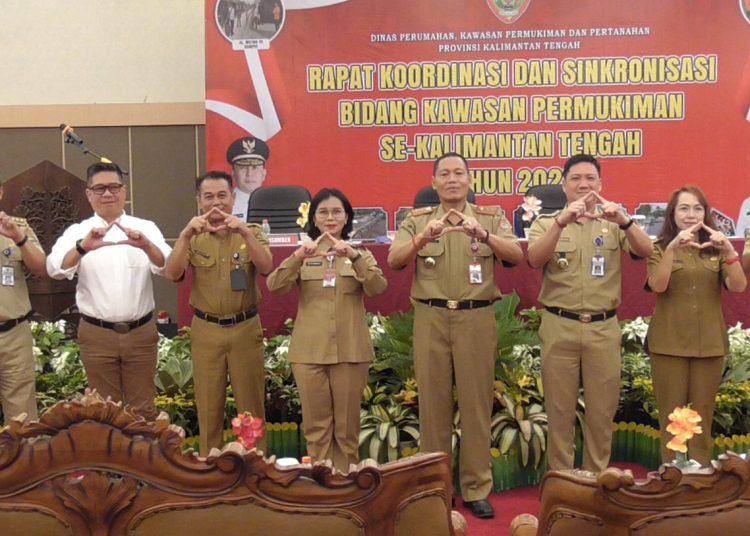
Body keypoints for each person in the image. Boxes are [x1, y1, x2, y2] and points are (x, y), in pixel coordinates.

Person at [387, 152, 523, 519]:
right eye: (444, 174)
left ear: (469, 180)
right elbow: (395, 259)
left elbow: (516, 255)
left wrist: (484, 234)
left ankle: (477, 487)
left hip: (475, 319)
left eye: (458, 173)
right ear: (434, 183)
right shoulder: (416, 220)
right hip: (431, 317)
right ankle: (437, 487)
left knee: (477, 405)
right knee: (432, 405)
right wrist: (420, 240)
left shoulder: (490, 218)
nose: (452, 179)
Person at [527, 154, 653, 473]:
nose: (583, 184)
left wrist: (624, 220)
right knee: (559, 412)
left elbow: (645, 251)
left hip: (602, 327)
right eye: (576, 179)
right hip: (559, 325)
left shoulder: (613, 222)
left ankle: (598, 482)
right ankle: (563, 483)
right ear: (564, 185)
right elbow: (535, 259)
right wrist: (560, 222)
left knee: (601, 413)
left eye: (590, 179)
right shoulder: (546, 222)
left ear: (600, 184)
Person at [266, 188, 387, 472]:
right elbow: (274, 286)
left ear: (347, 218)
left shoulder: (360, 254)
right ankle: (321, 490)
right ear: (314, 219)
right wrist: (296, 257)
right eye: (323, 212)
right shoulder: (305, 254)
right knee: (317, 429)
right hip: (309, 352)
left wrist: (354, 257)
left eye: (336, 212)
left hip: (350, 351)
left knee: (346, 431)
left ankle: (346, 488)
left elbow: (378, 288)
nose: (330, 217)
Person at [47, 162, 171, 420]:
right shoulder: (78, 232)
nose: (107, 194)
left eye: (114, 187)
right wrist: (83, 248)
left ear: (124, 191)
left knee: (143, 411)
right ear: (89, 194)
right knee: (103, 412)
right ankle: (110, 462)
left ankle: (141, 460)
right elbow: (54, 269)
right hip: (97, 335)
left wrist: (146, 246)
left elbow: (168, 267)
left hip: (140, 332)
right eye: (100, 188)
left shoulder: (145, 227)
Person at [164, 171, 272, 456]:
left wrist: (245, 233)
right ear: (199, 201)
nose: (216, 203)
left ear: (233, 198)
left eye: (222, 196)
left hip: (245, 327)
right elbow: (172, 273)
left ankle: (255, 464)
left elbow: (266, 267)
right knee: (209, 405)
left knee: (251, 405)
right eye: (208, 196)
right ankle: (210, 469)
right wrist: (186, 236)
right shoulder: (193, 237)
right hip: (207, 330)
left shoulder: (251, 232)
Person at [646, 186, 746, 466]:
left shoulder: (716, 246)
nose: (691, 215)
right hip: (668, 344)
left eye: (697, 208)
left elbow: (738, 286)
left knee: (701, 414)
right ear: (673, 214)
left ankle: (701, 479)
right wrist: (672, 250)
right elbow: (658, 285)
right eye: (684, 209)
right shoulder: (659, 247)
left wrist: (728, 250)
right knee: (672, 416)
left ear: (706, 213)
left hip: (709, 345)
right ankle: (671, 478)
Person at [0, 179, 46, 424]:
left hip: (14, 333)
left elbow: (42, 270)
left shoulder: (17, 227)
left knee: (22, 419)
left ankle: (21, 463)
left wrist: (18, 239)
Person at [226, 136, 269, 222]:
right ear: (233, 174)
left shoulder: (274, 201)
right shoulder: (226, 203)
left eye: (255, 167)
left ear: (264, 174)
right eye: (243, 168)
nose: (249, 174)